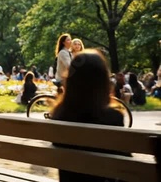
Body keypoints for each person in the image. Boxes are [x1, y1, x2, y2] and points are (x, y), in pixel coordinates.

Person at [50, 49, 129, 182]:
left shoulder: (59, 115)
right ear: (103, 81)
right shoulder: (113, 117)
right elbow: (124, 164)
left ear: (71, 79)